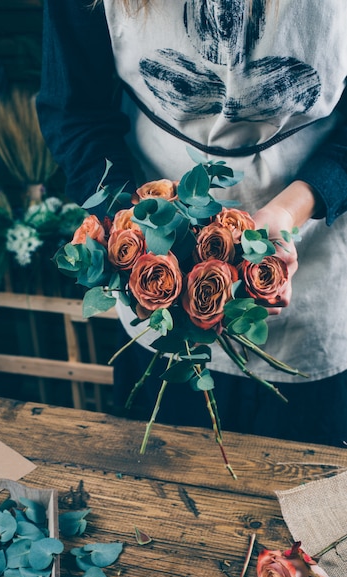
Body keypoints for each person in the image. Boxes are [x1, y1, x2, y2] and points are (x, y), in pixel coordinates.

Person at [36, 0, 347, 446]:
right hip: (155, 241)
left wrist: (288, 211)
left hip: (318, 244)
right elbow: (74, 109)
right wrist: (131, 225)